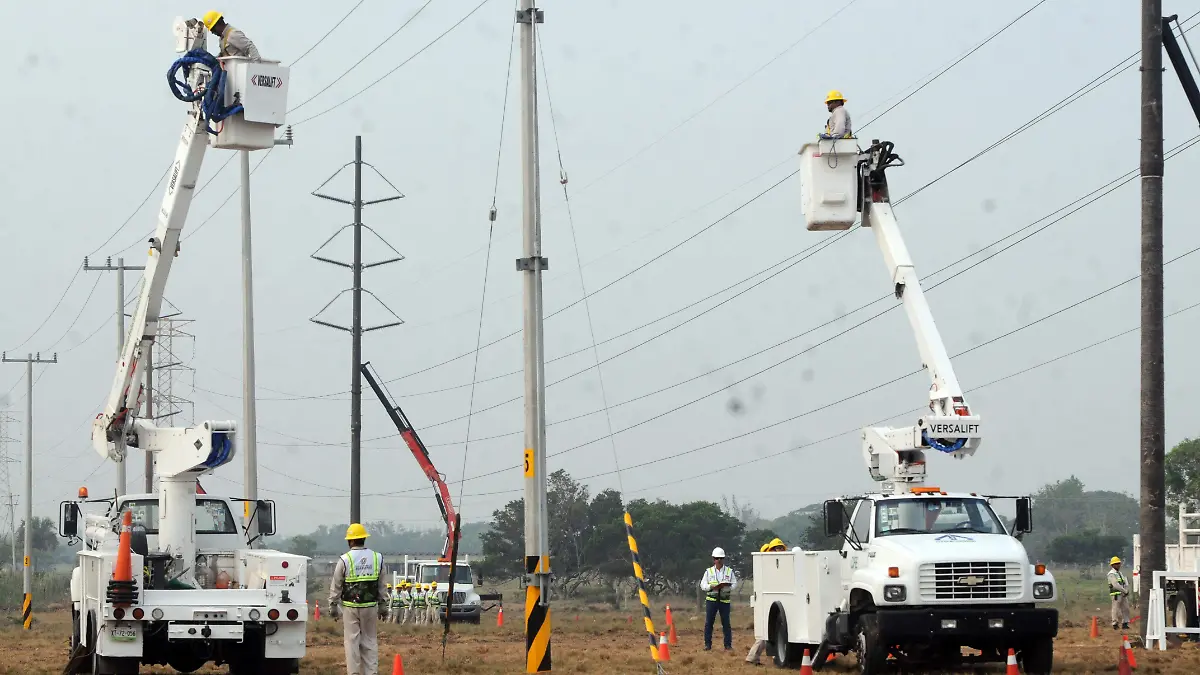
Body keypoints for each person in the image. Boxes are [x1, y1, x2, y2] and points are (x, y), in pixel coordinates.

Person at [327, 523, 387, 675]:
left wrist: (333, 605)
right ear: (363, 539)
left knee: (352, 642)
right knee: (370, 642)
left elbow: (337, 584)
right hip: (370, 607)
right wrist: (383, 605)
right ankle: (371, 672)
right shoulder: (377, 558)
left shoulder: (345, 560)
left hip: (350, 608)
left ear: (350, 541)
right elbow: (382, 585)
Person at [746, 539, 788, 665]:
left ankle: (771, 656)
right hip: (766, 602)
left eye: (781, 548)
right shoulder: (768, 566)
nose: (779, 550)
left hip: (775, 602)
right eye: (777, 548)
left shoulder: (781, 564)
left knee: (772, 632)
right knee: (765, 632)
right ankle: (752, 657)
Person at [700, 546, 739, 651]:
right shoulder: (708, 572)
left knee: (726, 623)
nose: (719, 560)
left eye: (721, 558)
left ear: (724, 559)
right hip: (711, 601)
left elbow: (735, 584)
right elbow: (703, 585)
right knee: (709, 623)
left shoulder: (729, 571)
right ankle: (707, 645)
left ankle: (728, 645)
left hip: (724, 601)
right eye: (717, 558)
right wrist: (710, 587)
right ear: (713, 559)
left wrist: (728, 587)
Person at [1108, 556, 1131, 630]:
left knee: (1126, 609)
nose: (1118, 565)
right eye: (1116, 564)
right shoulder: (1111, 574)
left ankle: (1125, 623)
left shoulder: (1120, 573)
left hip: (1123, 594)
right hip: (1116, 594)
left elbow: (1125, 582)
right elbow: (1115, 585)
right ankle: (1115, 624)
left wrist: (1126, 590)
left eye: (1118, 563)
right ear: (1112, 565)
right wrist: (1125, 591)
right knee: (1116, 609)